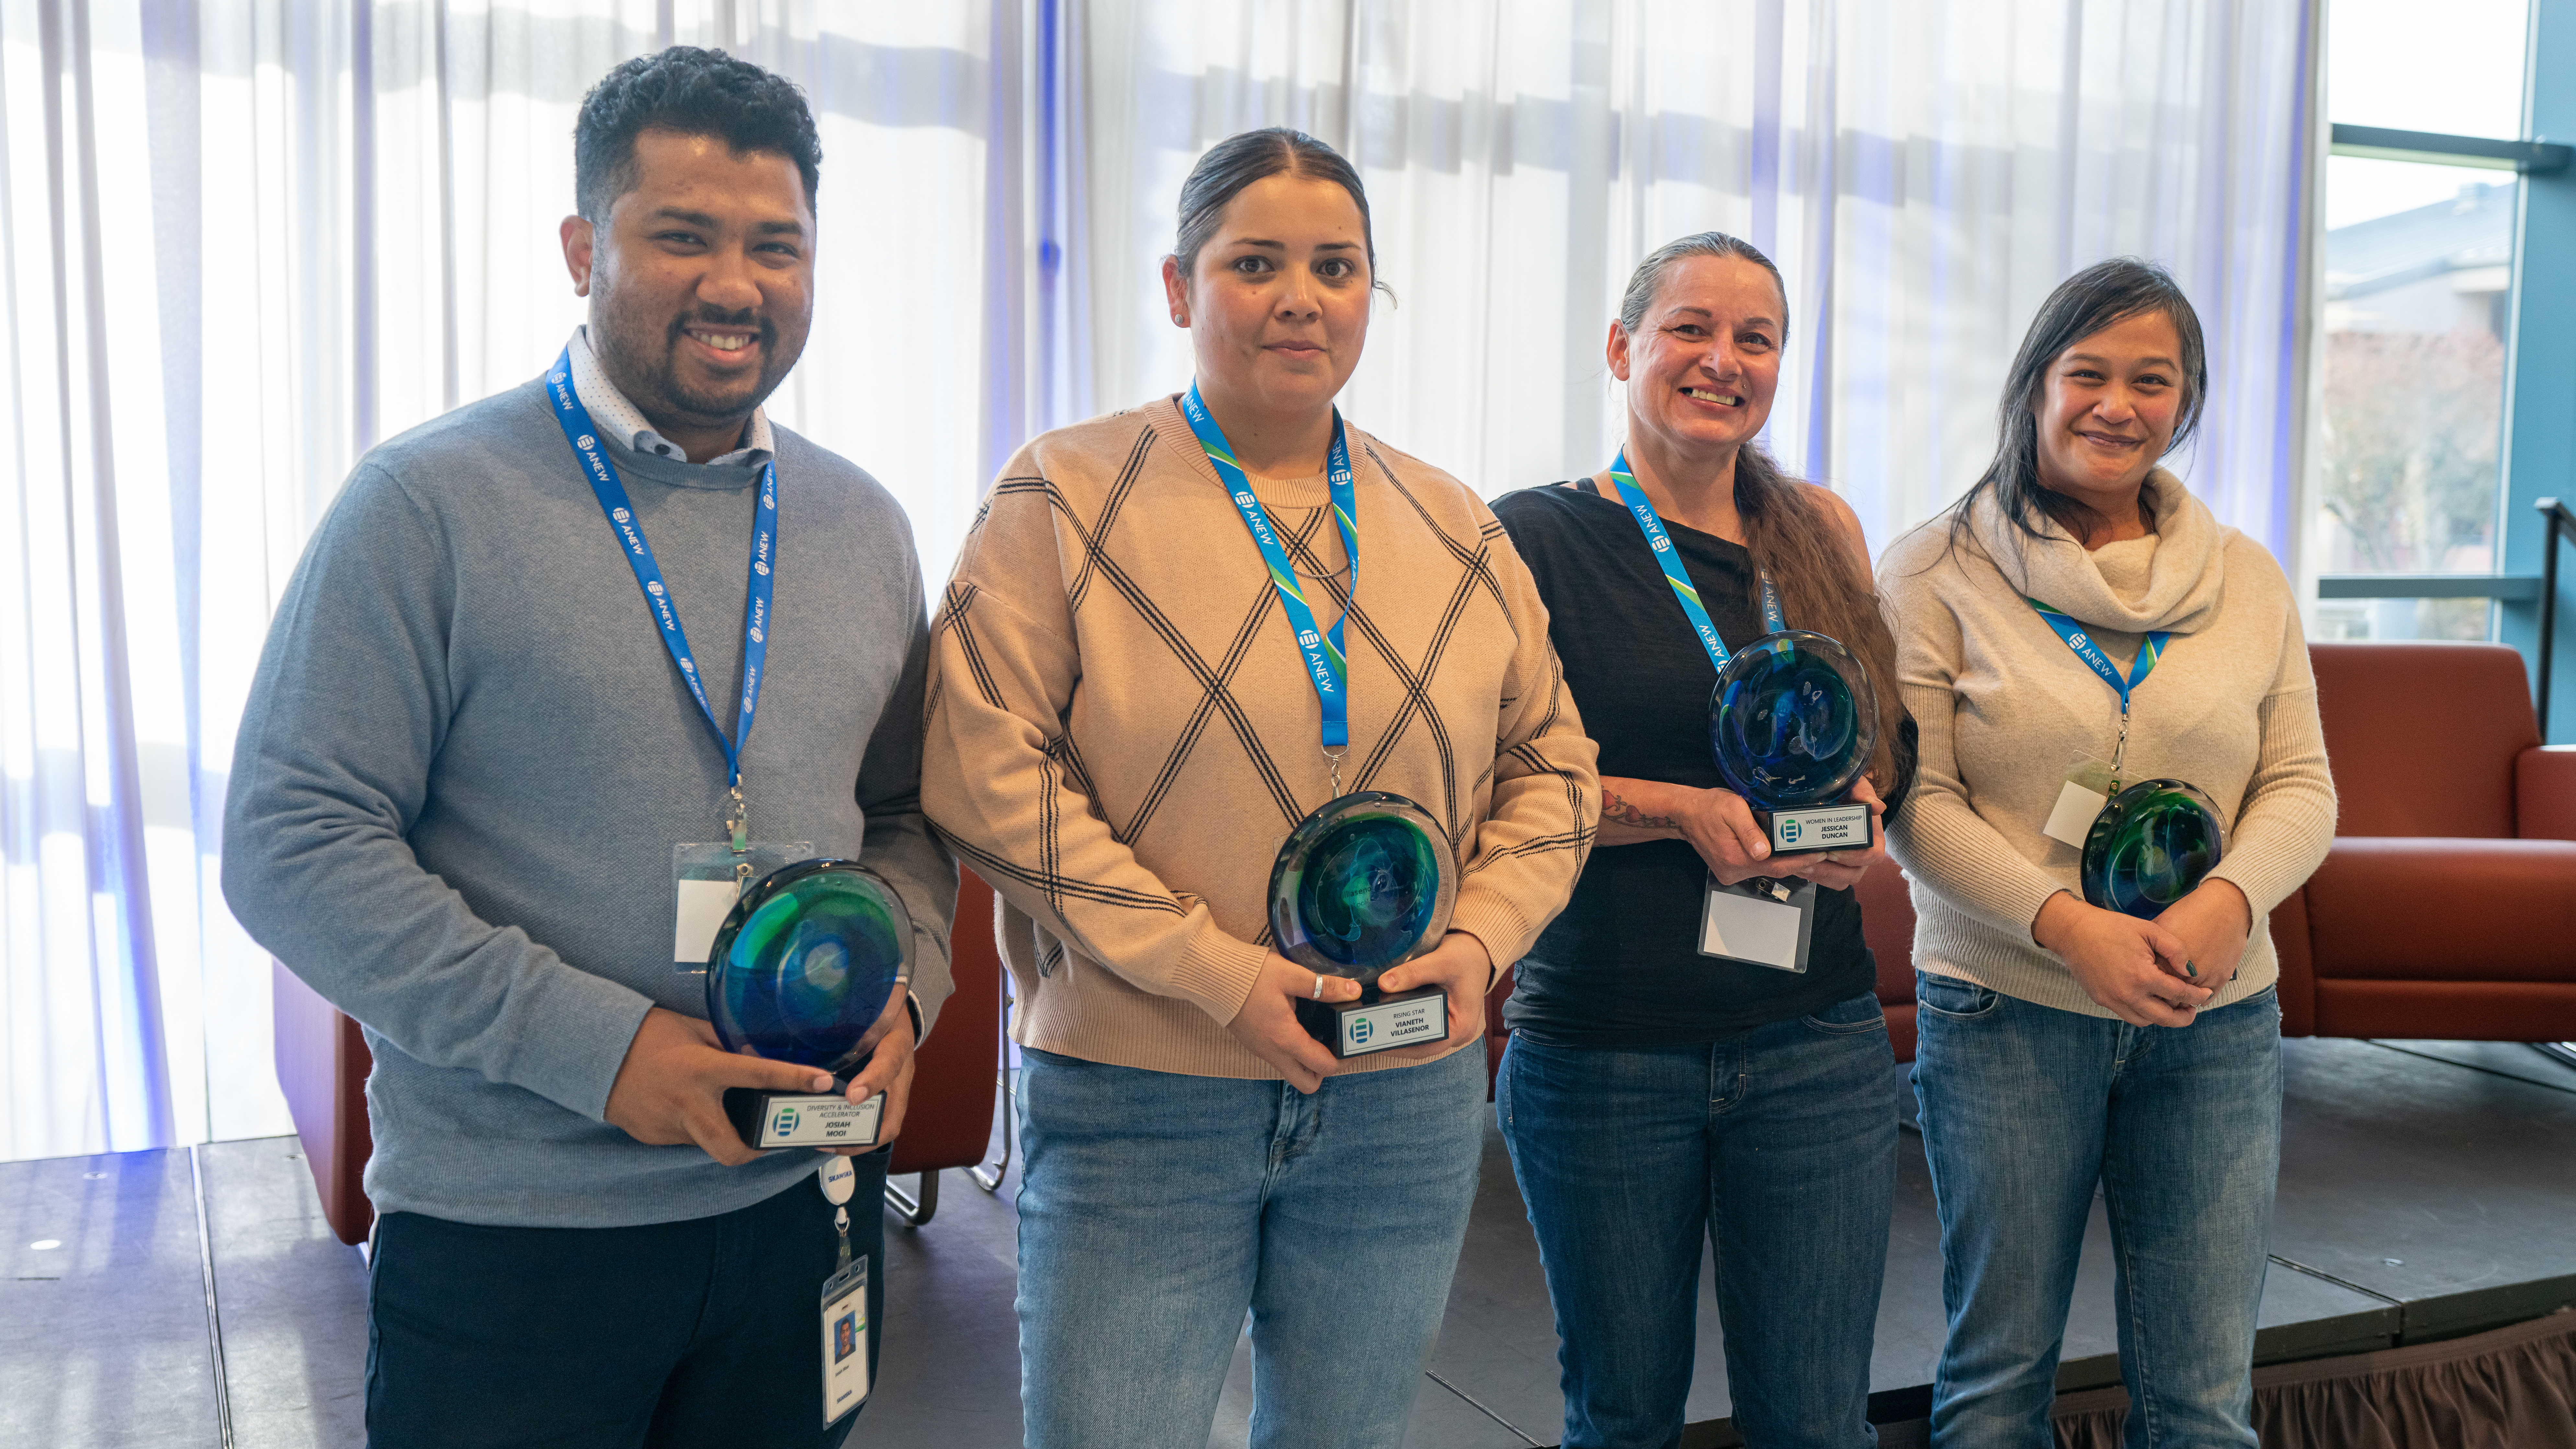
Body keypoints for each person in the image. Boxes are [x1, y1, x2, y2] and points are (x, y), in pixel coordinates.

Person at [221, 47, 954, 1448]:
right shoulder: (425, 504)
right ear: (581, 247)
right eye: (681, 234)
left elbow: (906, 815)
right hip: (515, 1232)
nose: (735, 283)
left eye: (775, 245)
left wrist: (907, 992)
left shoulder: (863, 524)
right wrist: (605, 1048)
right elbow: (289, 843)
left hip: (796, 1208)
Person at [919, 126, 1599, 1449]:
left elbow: (1552, 764)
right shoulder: (1060, 493)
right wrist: (1212, 970)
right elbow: (984, 767)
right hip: (1142, 1081)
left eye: (1336, 266)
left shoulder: (1455, 522)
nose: (1301, 295)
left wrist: (1479, 940)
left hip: (1405, 1084)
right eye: (1256, 262)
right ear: (1180, 288)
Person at [1878, 257, 2336, 1447]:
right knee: (1997, 1376)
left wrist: (2230, 902)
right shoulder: (1935, 571)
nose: (2115, 406)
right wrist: (2067, 926)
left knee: (2202, 1394)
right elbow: (1913, 801)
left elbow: (2301, 783)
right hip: (2007, 1012)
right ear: (2035, 386)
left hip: (2215, 1013)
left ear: (2184, 405)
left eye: (2152, 380)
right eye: (2087, 374)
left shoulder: (2246, 578)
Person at [1488, 232, 1916, 1449]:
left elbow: (1890, 730)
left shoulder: (1818, 528)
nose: (1722, 360)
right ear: (1623, 348)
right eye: (1691, 329)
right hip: (1607, 1053)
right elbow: (1493, 779)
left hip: (1816, 1043)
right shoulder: (1530, 539)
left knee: (1818, 1421)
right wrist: (1673, 811)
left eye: (1756, 338)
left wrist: (1868, 806)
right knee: (1623, 1416)